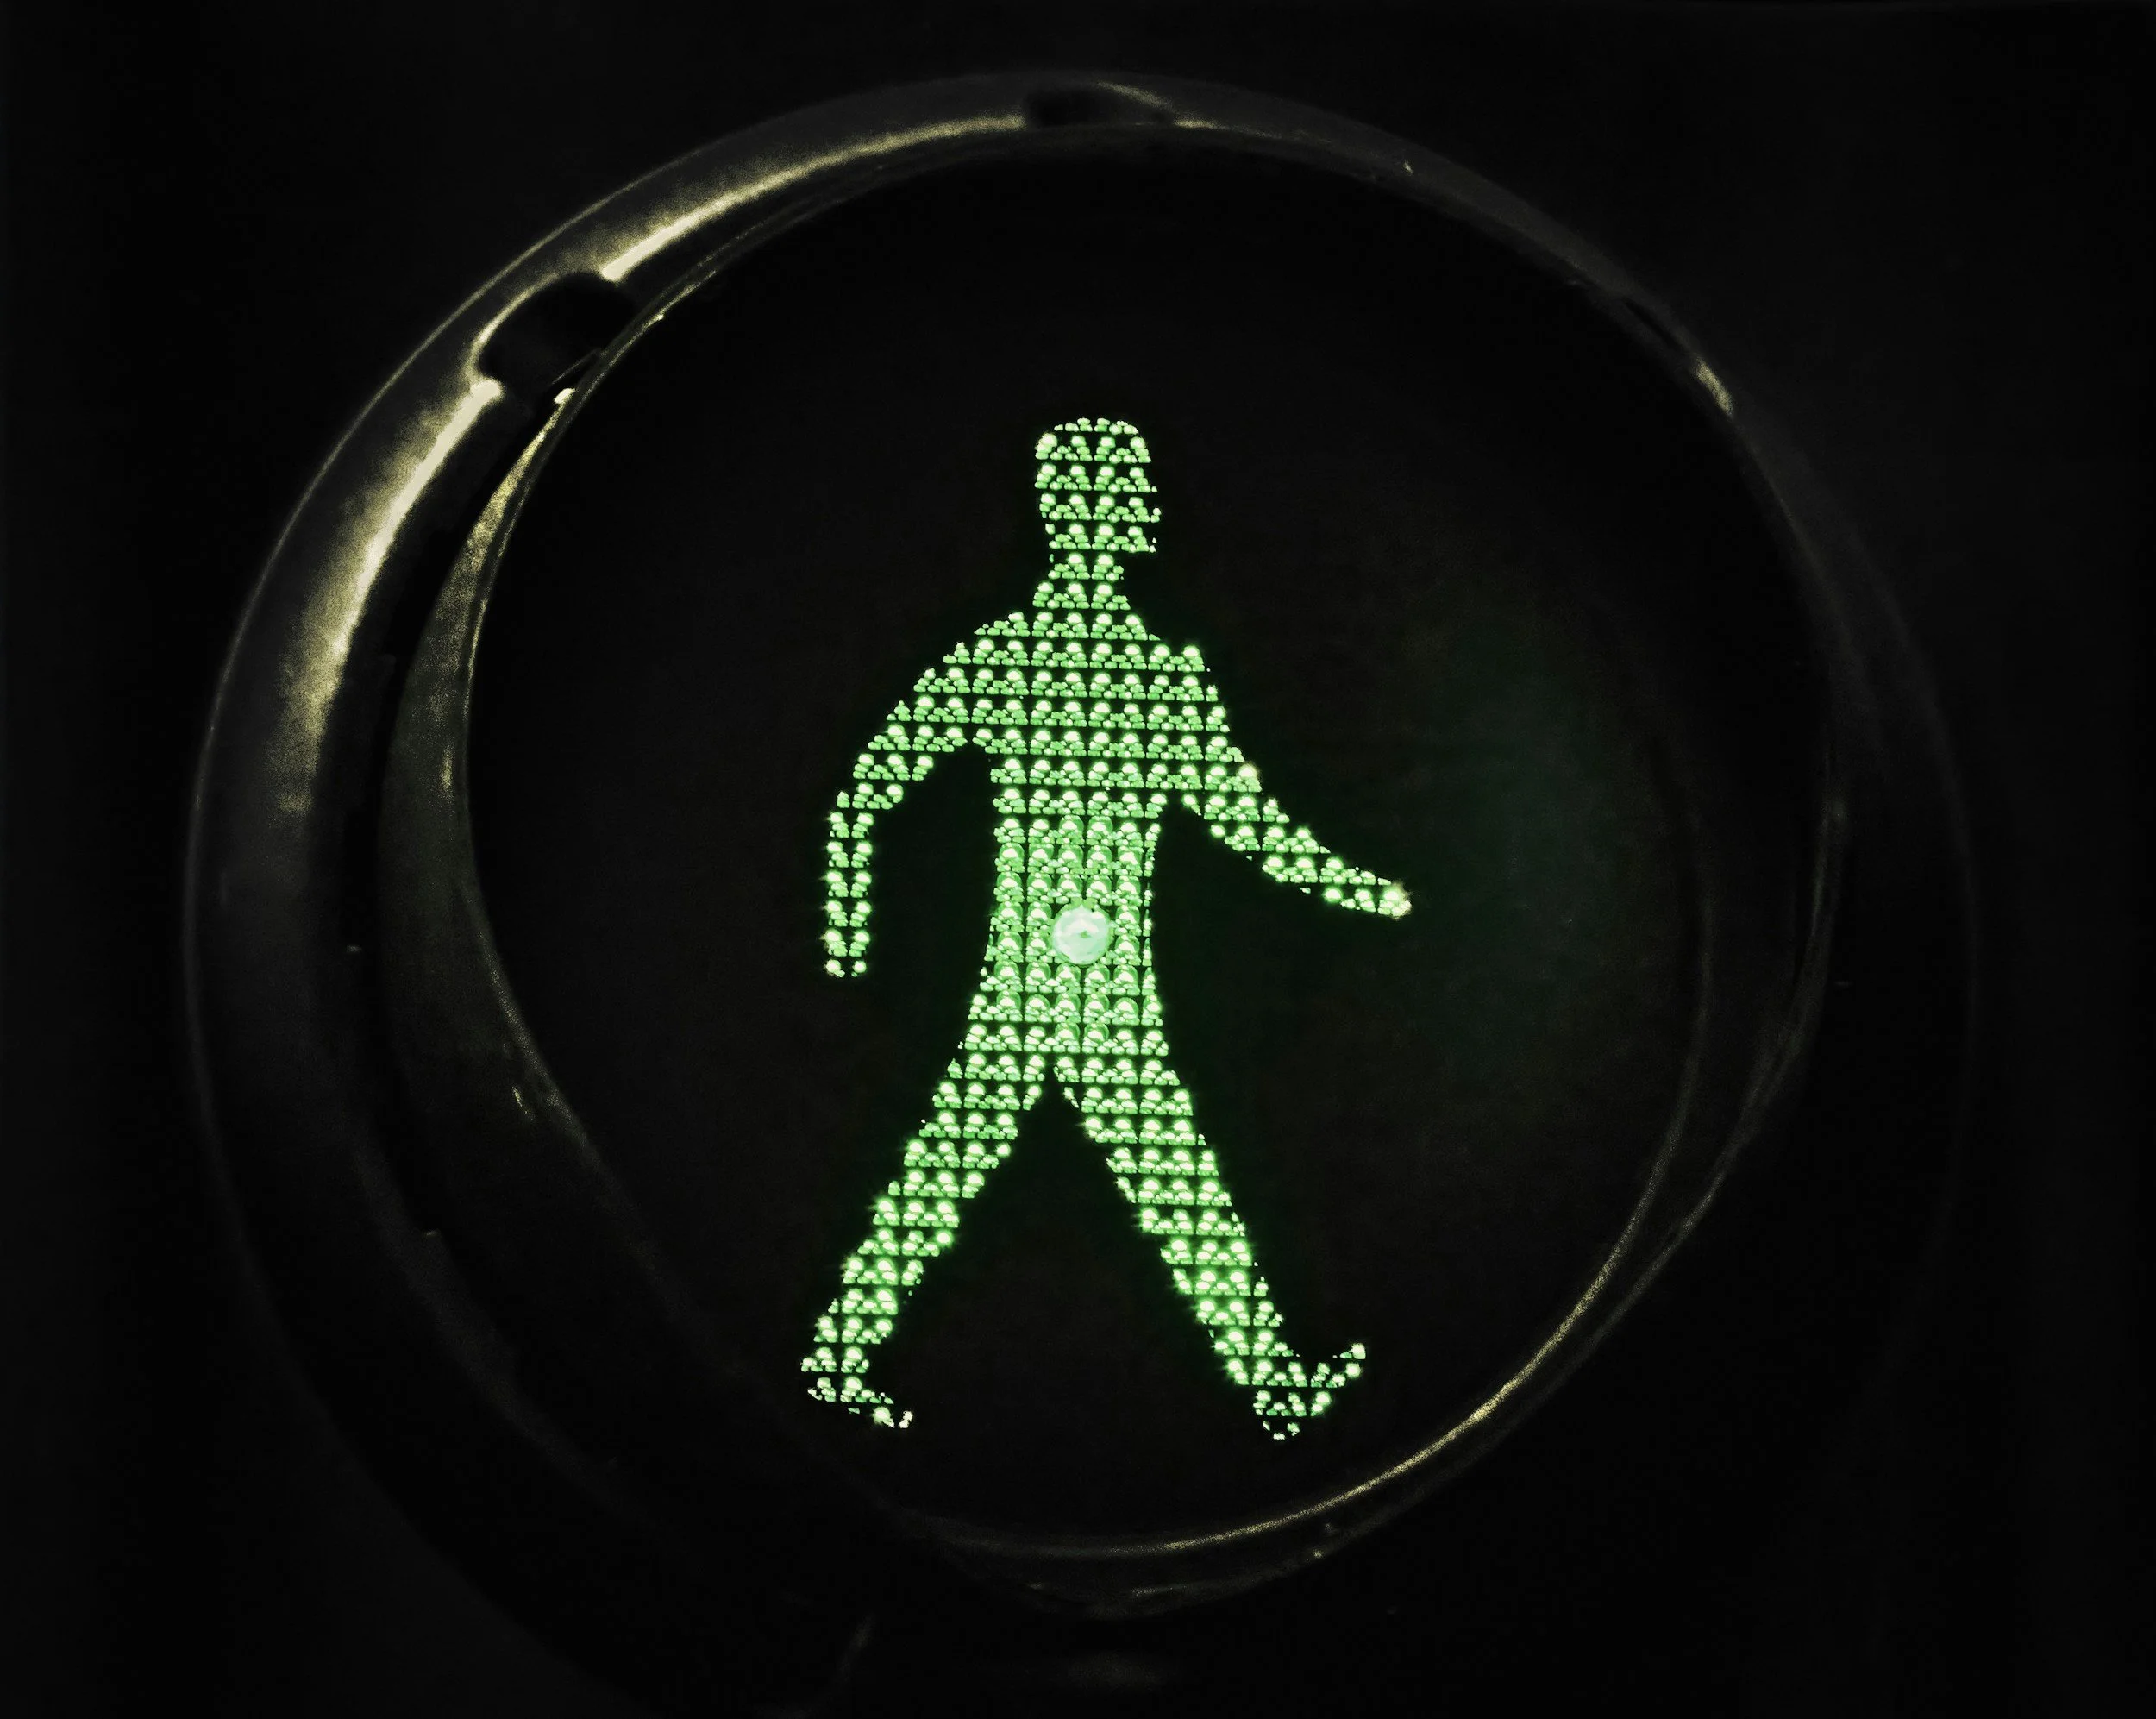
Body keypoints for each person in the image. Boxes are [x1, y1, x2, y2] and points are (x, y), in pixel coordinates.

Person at [800, 418, 1410, 1440]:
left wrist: (1351, 886)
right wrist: (849, 925)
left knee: (1024, 1180)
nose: (1146, 511)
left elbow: (1245, 821)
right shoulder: (1037, 661)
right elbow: (870, 786)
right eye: (1129, 494)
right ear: (1092, 513)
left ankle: (839, 1355)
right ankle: (1271, 1385)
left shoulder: (1140, 669)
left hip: (1092, 989)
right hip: (1047, 990)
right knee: (1140, 1187)